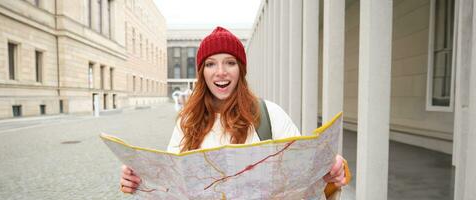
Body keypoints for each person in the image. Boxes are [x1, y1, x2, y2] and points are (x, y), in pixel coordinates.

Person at [120, 26, 350, 197]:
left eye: (230, 62)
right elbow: (172, 186)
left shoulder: (270, 114)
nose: (220, 72)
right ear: (202, 73)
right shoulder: (187, 122)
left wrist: (329, 170)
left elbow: (302, 175)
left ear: (241, 70)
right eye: (211, 64)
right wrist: (142, 179)